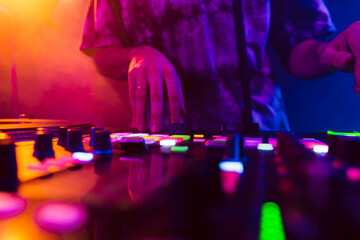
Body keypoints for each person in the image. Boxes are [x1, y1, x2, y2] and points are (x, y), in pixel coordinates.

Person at [80, 0, 360, 133]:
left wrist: (331, 51)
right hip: (163, 144)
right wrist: (136, 56)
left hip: (259, 136)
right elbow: (104, 49)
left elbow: (300, 45)